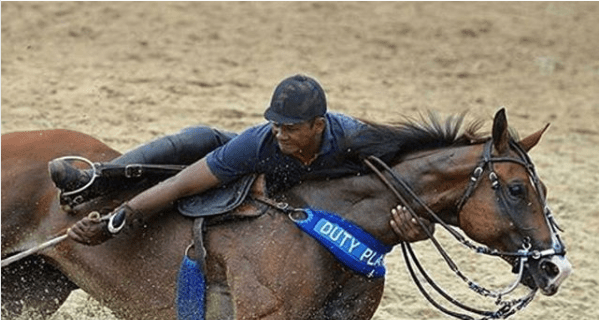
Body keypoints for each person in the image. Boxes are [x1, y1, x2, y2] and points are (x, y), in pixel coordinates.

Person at [49, 74, 433, 245]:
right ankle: (98, 177)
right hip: (250, 162)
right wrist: (120, 219)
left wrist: (421, 228)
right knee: (198, 140)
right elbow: (180, 185)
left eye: (290, 127)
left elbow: (416, 185)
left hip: (306, 197)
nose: (279, 132)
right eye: (275, 124)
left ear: (318, 125)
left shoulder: (357, 140)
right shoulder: (261, 141)